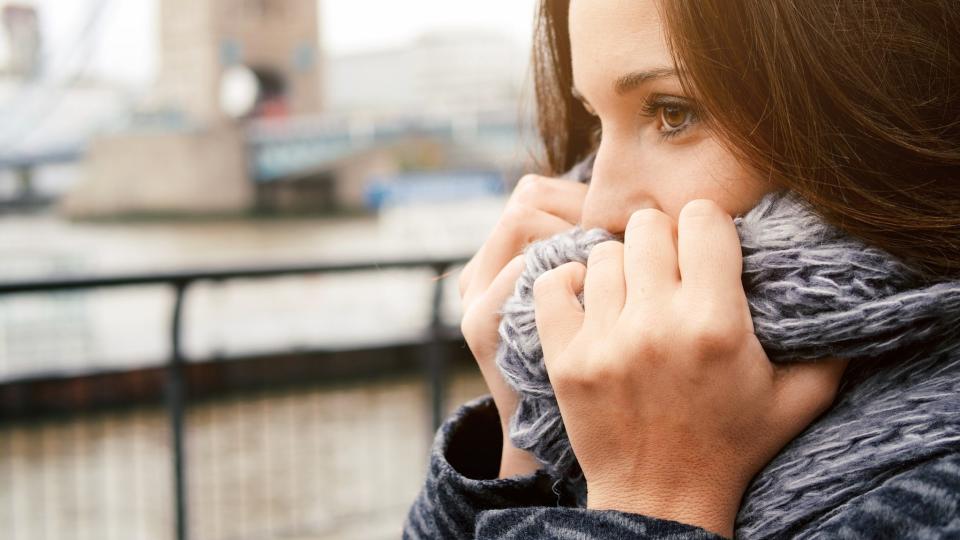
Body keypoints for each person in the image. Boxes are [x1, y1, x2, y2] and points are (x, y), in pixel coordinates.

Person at [405, 0, 960, 538]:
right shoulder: (609, 397)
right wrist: (529, 439)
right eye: (597, 122)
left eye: (673, 113)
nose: (599, 208)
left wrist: (650, 501)